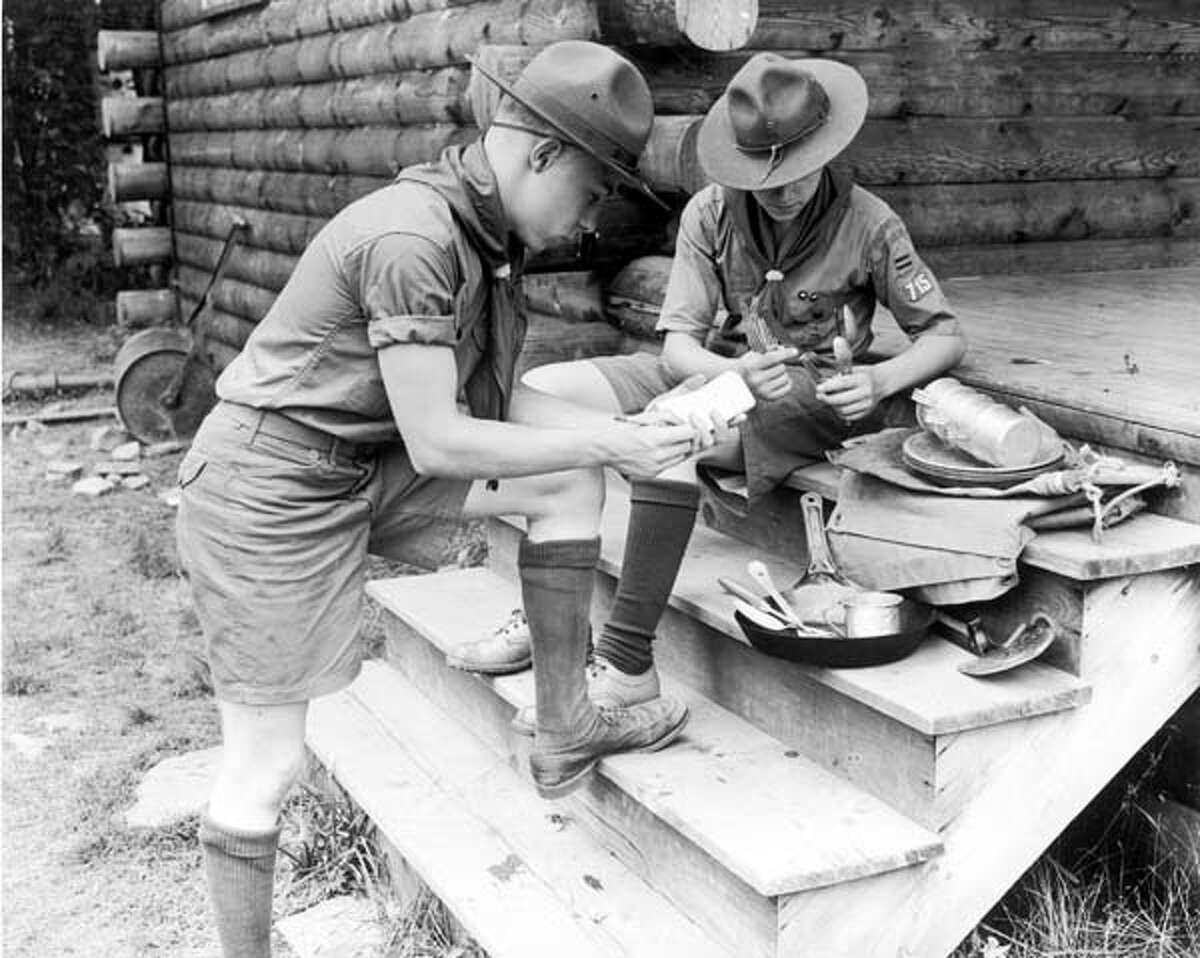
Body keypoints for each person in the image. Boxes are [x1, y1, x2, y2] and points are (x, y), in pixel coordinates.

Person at [176, 41, 707, 958]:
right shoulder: (412, 238)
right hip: (269, 487)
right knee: (267, 765)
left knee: (566, 481)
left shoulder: (484, 236)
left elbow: (498, 408)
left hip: (356, 464)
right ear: (540, 155)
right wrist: (607, 438)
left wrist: (640, 433)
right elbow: (441, 440)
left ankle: (566, 730)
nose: (589, 220)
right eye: (591, 192)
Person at [453, 53, 967, 727]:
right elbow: (677, 348)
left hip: (808, 390)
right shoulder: (712, 213)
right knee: (545, 390)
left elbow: (945, 336)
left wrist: (880, 379)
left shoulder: (870, 225)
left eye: (793, 172)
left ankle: (629, 664)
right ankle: (555, 622)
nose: (778, 190)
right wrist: (727, 373)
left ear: (825, 147)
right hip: (719, 371)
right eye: (762, 174)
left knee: (672, 442)